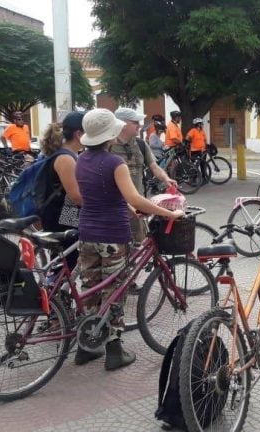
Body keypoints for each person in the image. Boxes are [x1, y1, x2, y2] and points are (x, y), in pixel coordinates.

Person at [74, 108, 184, 370]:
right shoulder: (115, 163)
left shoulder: (81, 160)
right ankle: (114, 351)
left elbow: (102, 196)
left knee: (90, 289)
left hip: (87, 233)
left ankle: (85, 347)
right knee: (115, 293)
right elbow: (133, 196)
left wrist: (130, 208)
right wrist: (169, 212)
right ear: (111, 133)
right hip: (113, 234)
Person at [112, 108, 177, 244]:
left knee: (139, 244)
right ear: (122, 124)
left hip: (138, 206)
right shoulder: (108, 145)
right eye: (135, 122)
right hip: (115, 208)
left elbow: (153, 166)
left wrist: (166, 178)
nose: (140, 125)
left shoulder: (141, 144)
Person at [38, 112, 85, 271]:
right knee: (66, 262)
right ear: (79, 134)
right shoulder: (65, 158)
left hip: (63, 213)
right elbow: (76, 196)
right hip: (61, 217)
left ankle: (57, 290)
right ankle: (53, 293)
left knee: (65, 261)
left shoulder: (67, 154)